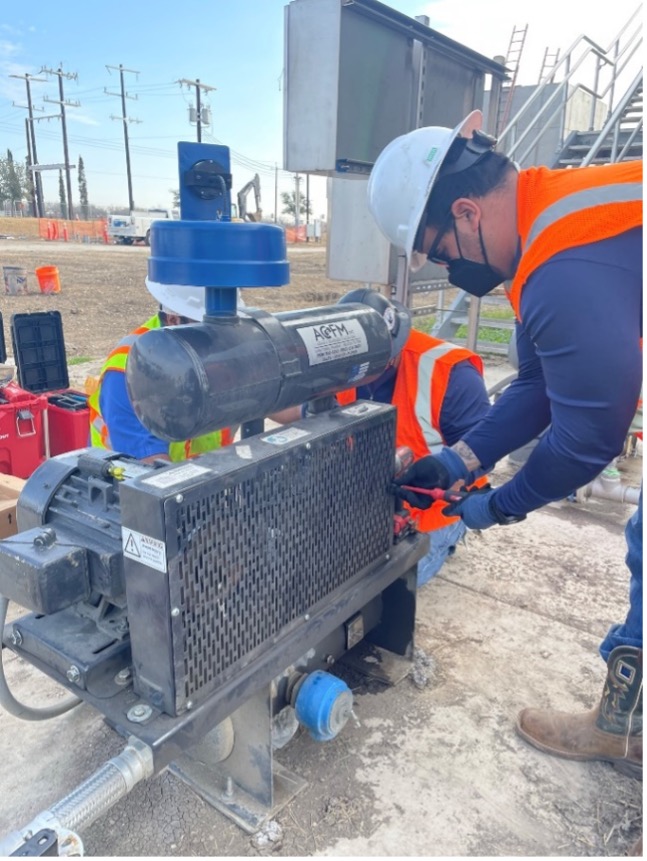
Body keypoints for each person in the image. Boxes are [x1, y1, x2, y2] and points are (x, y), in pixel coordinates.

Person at [367, 110, 642, 779]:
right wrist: (459, 460)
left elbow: (584, 441)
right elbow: (538, 385)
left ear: (466, 212)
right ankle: (622, 723)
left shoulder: (562, 261)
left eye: (440, 251)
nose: (447, 266)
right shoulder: (547, 221)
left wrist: (496, 506)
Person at [277, 288, 492, 585]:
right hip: (366, 502)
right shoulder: (340, 365)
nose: (359, 376)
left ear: (391, 349)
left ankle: (447, 538)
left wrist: (445, 476)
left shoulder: (449, 373)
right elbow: (290, 410)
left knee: (378, 590)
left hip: (431, 512)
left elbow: (485, 451)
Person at [89, 282, 232, 462]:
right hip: (124, 483)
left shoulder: (213, 350)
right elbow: (151, 468)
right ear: (174, 320)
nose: (217, 340)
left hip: (202, 478)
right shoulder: (127, 371)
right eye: (208, 329)